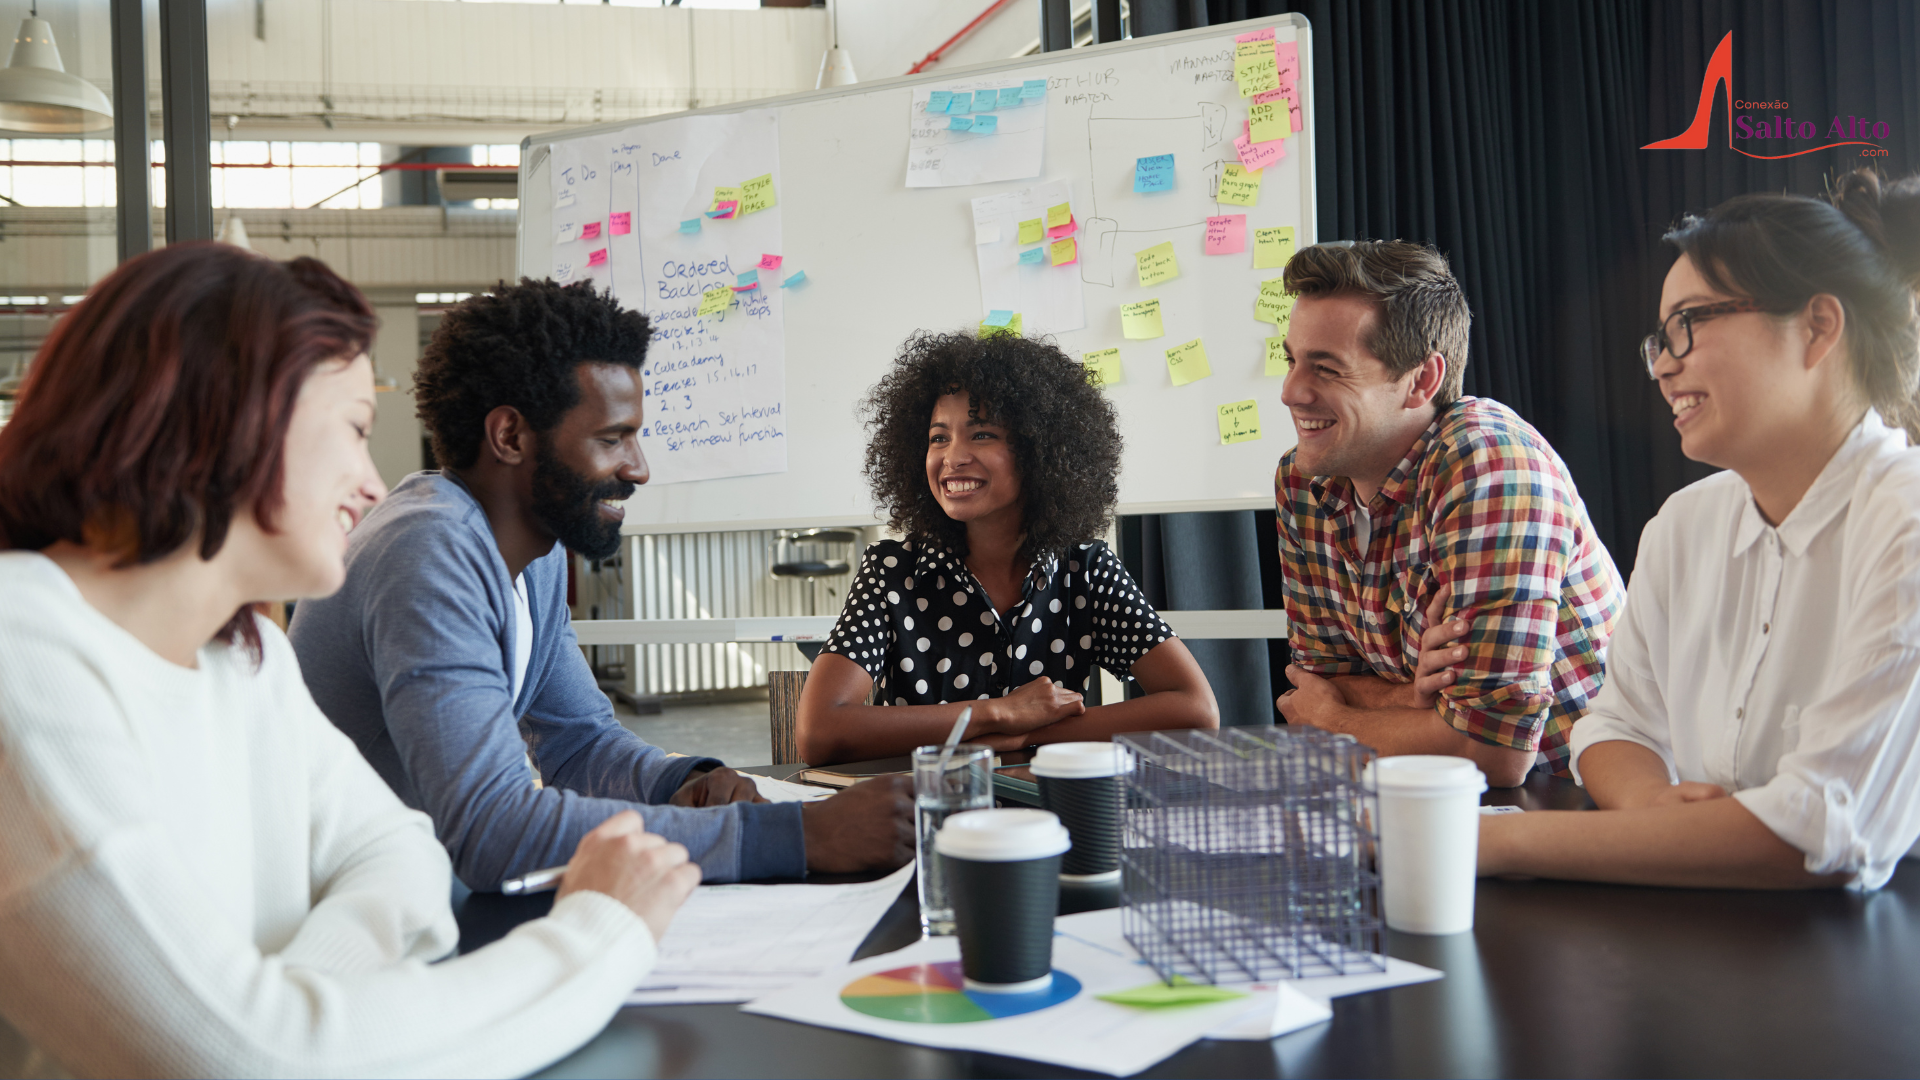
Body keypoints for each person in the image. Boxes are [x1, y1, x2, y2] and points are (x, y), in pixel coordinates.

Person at [0, 243, 698, 1076]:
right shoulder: (25, 655)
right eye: (356, 431)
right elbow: (251, 1057)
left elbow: (399, 853)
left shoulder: (239, 654)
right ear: (232, 422)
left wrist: (294, 1004)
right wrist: (601, 932)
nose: (372, 485)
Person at [289, 280, 911, 890]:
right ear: (510, 436)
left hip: (411, 897)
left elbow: (578, 743)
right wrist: (799, 836)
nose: (638, 468)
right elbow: (491, 831)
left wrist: (683, 782)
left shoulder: (535, 554)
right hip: (345, 921)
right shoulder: (429, 549)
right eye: (612, 439)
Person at [1478, 171, 1920, 889]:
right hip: (1715, 932)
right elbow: (1613, 727)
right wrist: (1655, 807)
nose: (1664, 364)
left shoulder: (1906, 517)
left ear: (1817, 328)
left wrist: (1493, 843)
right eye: (1658, 338)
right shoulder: (1686, 524)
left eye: (1689, 323)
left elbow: (1817, 831)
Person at [1271, 240, 1623, 788]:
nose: (1291, 390)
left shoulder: (1492, 465)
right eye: (1291, 359)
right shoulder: (1302, 478)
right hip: (1419, 792)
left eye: (1327, 369)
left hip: (1577, 800)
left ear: (1421, 381)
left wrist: (1337, 719)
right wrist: (1415, 698)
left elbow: (1495, 753)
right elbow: (1312, 682)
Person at [795, 330, 1219, 765]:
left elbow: (1196, 709)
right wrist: (998, 713)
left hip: (1052, 821)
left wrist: (1027, 737)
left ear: (1041, 450)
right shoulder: (892, 571)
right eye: (938, 437)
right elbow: (819, 732)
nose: (953, 456)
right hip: (928, 816)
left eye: (981, 435)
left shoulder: (1084, 570)